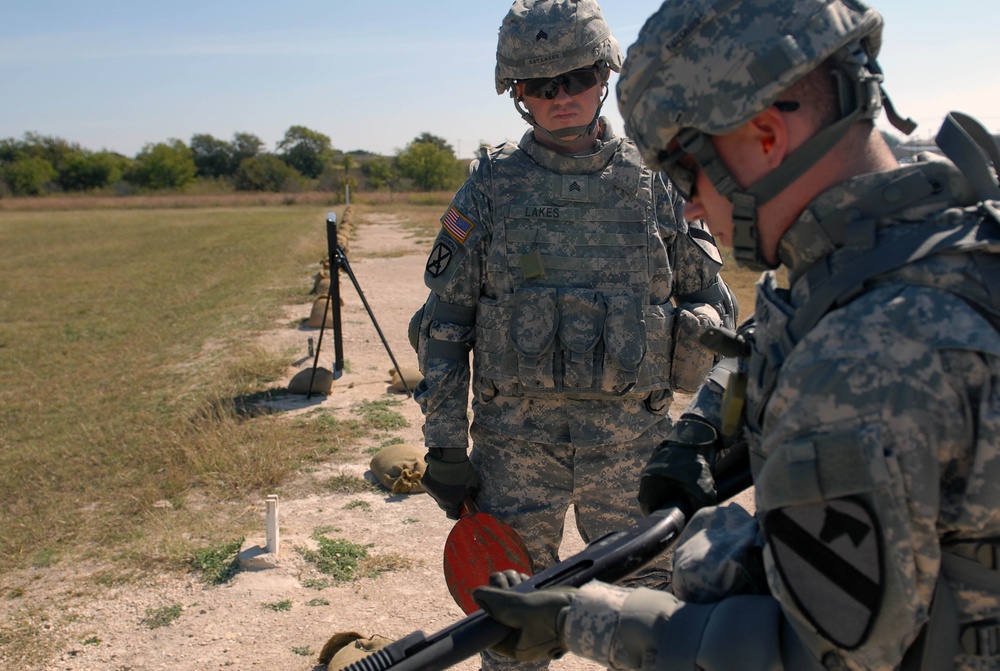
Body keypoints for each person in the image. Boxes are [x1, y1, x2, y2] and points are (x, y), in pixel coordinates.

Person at [471, 0, 1000, 669]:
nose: (690, 203)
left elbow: (809, 654)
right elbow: (788, 313)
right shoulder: (933, 225)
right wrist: (704, 426)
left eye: (688, 170)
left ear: (766, 136)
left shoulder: (859, 362)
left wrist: (581, 618)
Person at [410, 0, 735, 668]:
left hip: (632, 446)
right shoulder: (491, 186)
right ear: (516, 93)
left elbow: (712, 309)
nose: (561, 97)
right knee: (510, 623)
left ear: (605, 73)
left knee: (652, 621)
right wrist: (443, 444)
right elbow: (445, 323)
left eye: (578, 77)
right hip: (513, 451)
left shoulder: (658, 183)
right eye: (539, 86)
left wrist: (705, 430)